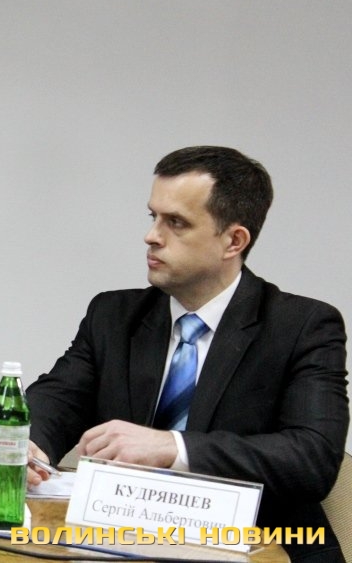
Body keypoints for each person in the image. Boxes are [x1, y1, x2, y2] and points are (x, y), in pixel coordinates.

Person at [26, 146, 349, 562]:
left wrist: (174, 448)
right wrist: (27, 442)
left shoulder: (302, 326)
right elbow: (59, 397)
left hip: (260, 548)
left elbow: (312, 458)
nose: (152, 236)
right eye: (153, 217)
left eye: (175, 222)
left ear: (233, 241)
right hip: (122, 542)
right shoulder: (114, 315)